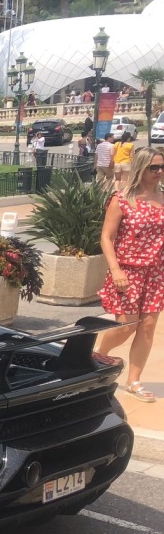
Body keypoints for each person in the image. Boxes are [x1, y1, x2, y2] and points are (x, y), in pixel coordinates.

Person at [97, 147, 164, 401]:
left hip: (156, 272)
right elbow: (107, 236)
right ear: (141, 168)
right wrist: (115, 269)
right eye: (154, 167)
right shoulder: (123, 198)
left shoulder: (163, 197)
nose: (159, 172)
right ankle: (101, 352)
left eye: (162, 167)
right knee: (127, 326)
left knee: (147, 327)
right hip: (127, 270)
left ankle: (134, 380)